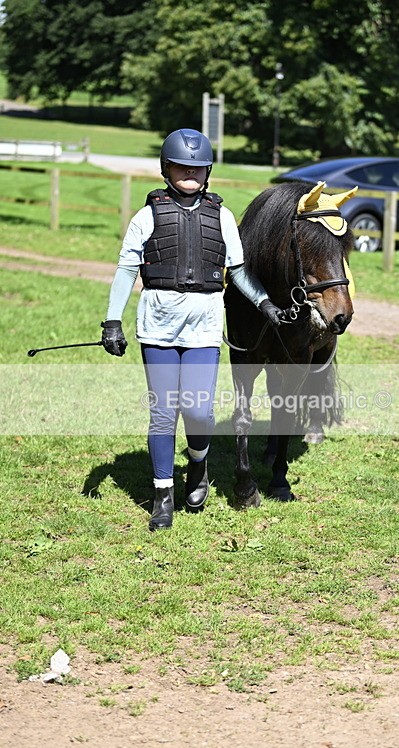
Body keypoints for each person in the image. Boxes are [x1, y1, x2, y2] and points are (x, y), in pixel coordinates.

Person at [100, 128, 283, 530]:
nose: (190, 174)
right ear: (166, 168)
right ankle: (163, 494)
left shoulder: (222, 216)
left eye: (198, 169)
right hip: (158, 325)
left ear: (208, 173)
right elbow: (126, 269)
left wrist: (265, 302)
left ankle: (197, 466)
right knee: (163, 413)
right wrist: (112, 320)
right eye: (182, 166)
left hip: (202, 325)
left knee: (198, 410)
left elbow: (237, 271)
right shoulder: (146, 216)